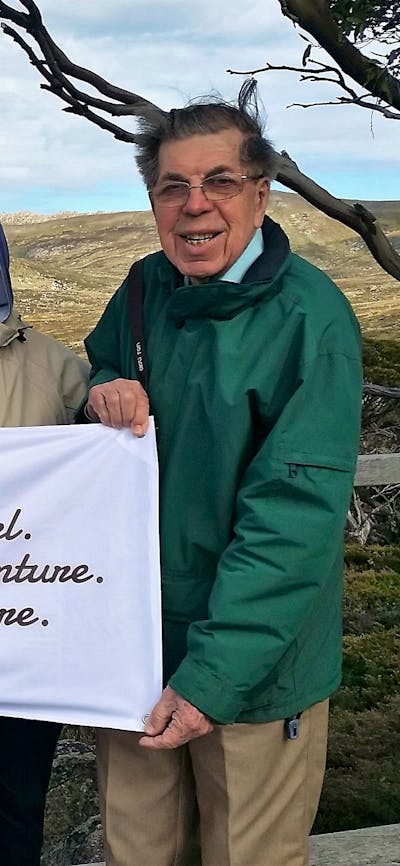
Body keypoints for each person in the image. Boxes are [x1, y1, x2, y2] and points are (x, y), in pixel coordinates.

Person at [83, 84, 363, 866]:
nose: (194, 205)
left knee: (249, 856)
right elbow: (107, 364)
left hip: (254, 671)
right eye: (173, 187)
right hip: (134, 650)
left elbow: (292, 520)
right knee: (137, 851)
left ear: (261, 191)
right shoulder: (144, 288)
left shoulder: (311, 321)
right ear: (152, 199)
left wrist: (213, 676)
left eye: (219, 182)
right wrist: (104, 385)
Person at [0, 221, 89, 866]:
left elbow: (109, 477)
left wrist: (116, 410)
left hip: (24, 648)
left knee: (13, 805)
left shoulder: (55, 367)